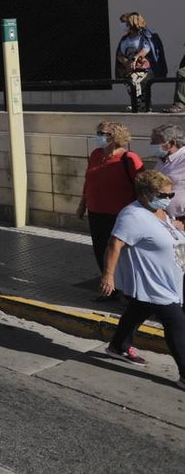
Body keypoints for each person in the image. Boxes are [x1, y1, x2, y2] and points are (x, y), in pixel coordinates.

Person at [99, 170, 185, 378]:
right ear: (145, 194)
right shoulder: (132, 215)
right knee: (177, 324)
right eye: (163, 195)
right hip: (154, 282)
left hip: (172, 278)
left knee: (139, 309)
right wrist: (108, 275)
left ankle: (118, 346)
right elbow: (114, 244)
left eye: (170, 195)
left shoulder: (161, 212)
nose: (167, 199)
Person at [75, 121, 144, 275]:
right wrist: (82, 205)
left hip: (120, 215)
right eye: (98, 132)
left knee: (120, 252)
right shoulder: (95, 154)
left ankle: (125, 289)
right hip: (96, 212)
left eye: (102, 134)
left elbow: (142, 187)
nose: (98, 136)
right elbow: (89, 181)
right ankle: (108, 286)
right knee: (100, 250)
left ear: (114, 137)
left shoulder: (129, 158)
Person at [115, 12, 159, 113]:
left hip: (144, 68)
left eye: (123, 23)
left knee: (135, 82)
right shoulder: (124, 39)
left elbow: (146, 48)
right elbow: (119, 54)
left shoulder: (144, 36)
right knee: (131, 84)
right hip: (129, 69)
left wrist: (135, 58)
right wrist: (126, 62)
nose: (121, 25)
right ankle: (141, 105)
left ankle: (139, 104)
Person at [151, 124, 185, 223]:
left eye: (155, 141)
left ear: (171, 143)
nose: (151, 144)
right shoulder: (162, 160)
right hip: (164, 219)